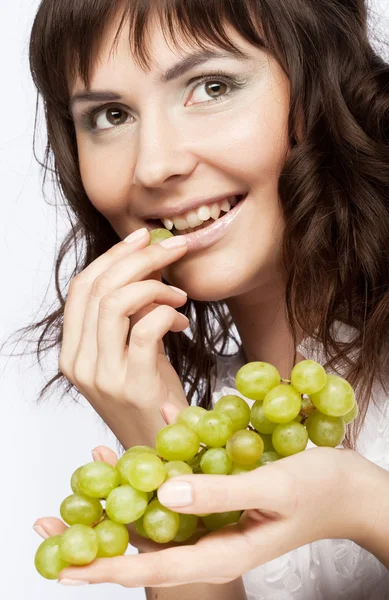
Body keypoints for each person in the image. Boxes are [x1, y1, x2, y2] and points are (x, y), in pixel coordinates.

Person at [7, 0, 389, 597]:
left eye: (211, 86)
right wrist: (160, 448)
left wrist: (367, 506)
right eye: (110, 115)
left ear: (322, 85)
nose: (155, 165)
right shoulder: (214, 426)